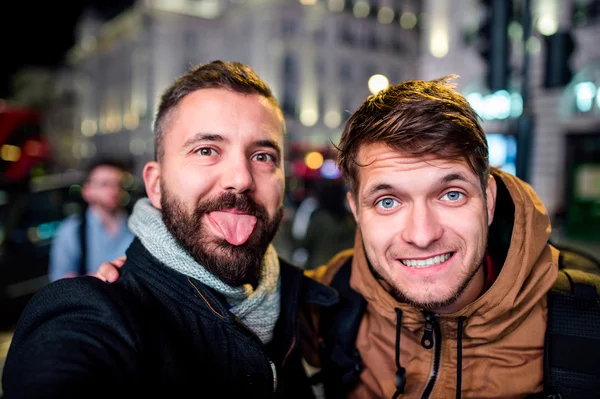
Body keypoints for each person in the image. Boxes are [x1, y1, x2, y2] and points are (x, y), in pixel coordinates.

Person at [93, 76, 600, 398]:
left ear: (488, 201)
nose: (422, 235)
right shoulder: (325, 302)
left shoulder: (585, 323)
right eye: (388, 201)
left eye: (450, 195)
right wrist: (145, 289)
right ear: (356, 209)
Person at [2, 61, 336, 398]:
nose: (241, 179)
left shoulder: (311, 304)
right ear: (157, 185)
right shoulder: (91, 313)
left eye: (263, 156)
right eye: (206, 150)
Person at [48, 158, 134, 281]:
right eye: (105, 184)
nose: (114, 190)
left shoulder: (137, 225)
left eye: (118, 184)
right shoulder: (71, 231)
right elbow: (59, 283)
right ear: (87, 191)